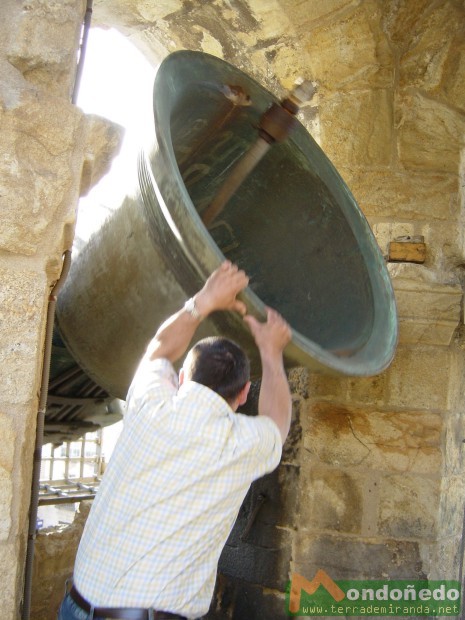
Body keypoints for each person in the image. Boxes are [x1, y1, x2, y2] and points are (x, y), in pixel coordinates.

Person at [58, 260, 292, 620]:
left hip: (77, 605)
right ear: (245, 393)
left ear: (182, 377)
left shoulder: (149, 401)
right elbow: (277, 423)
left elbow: (160, 349)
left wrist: (204, 299)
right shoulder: (239, 444)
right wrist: (272, 353)